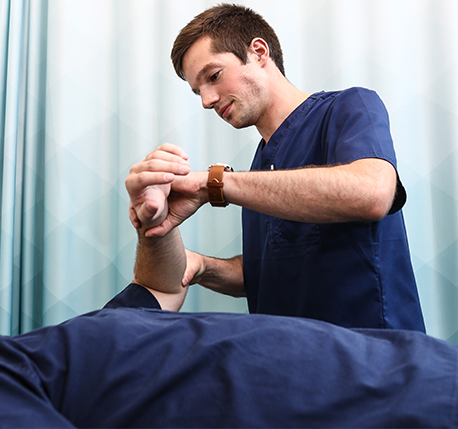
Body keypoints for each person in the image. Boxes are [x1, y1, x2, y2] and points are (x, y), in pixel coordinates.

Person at [0, 165, 458, 428]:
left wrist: (156, 221)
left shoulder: (44, 366)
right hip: (405, 405)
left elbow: (161, 284)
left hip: (424, 381)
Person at [131, 3, 425, 331]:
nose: (207, 100)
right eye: (198, 91)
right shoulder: (259, 170)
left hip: (375, 362)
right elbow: (269, 271)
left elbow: (372, 193)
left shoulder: (349, 108)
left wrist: (213, 185)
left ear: (258, 52)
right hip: (288, 365)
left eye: (213, 76)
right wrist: (201, 267)